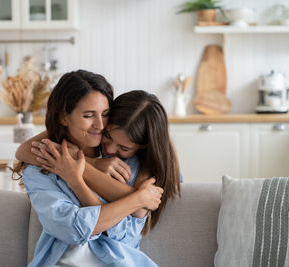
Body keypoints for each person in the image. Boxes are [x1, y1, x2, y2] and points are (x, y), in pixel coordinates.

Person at [14, 70, 163, 266]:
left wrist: (83, 169)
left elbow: (125, 236)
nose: (100, 125)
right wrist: (139, 199)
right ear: (64, 117)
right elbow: (71, 229)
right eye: (88, 115)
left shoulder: (127, 161)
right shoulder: (40, 170)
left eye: (106, 114)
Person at [18, 90, 181, 237]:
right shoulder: (81, 136)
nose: (110, 149)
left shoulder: (142, 167)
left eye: (123, 147)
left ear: (143, 147)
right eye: (107, 135)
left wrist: (78, 173)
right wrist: (91, 163)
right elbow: (22, 151)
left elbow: (135, 214)